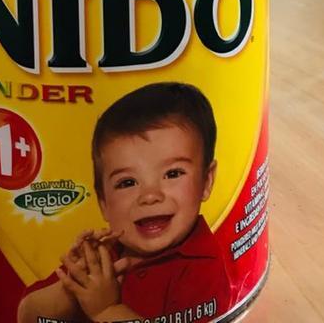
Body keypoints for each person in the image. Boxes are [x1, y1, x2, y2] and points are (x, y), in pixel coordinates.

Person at [18, 82, 232, 323]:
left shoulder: (202, 268)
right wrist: (73, 285)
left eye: (172, 174)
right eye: (127, 182)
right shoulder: (106, 252)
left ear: (206, 180)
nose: (149, 196)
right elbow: (28, 316)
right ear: (103, 203)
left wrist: (106, 310)